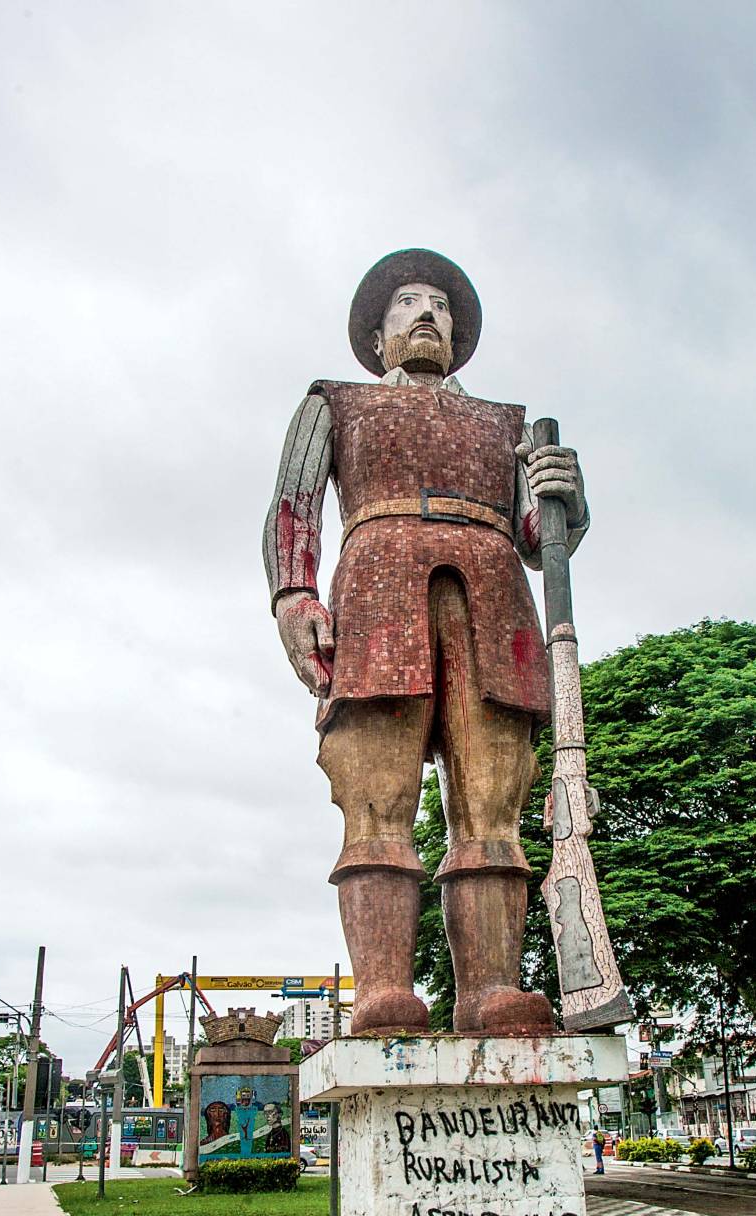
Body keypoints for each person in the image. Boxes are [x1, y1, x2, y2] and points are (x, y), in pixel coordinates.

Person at [264, 249, 588, 1038]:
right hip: (378, 593)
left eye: (439, 305)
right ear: (379, 336)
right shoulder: (336, 404)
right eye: (408, 302)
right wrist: (294, 594)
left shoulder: (507, 426)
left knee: (493, 808)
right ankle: (382, 990)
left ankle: (489, 991)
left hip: (493, 599)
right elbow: (293, 505)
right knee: (376, 801)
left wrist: (564, 499)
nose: (426, 314)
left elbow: (538, 536)